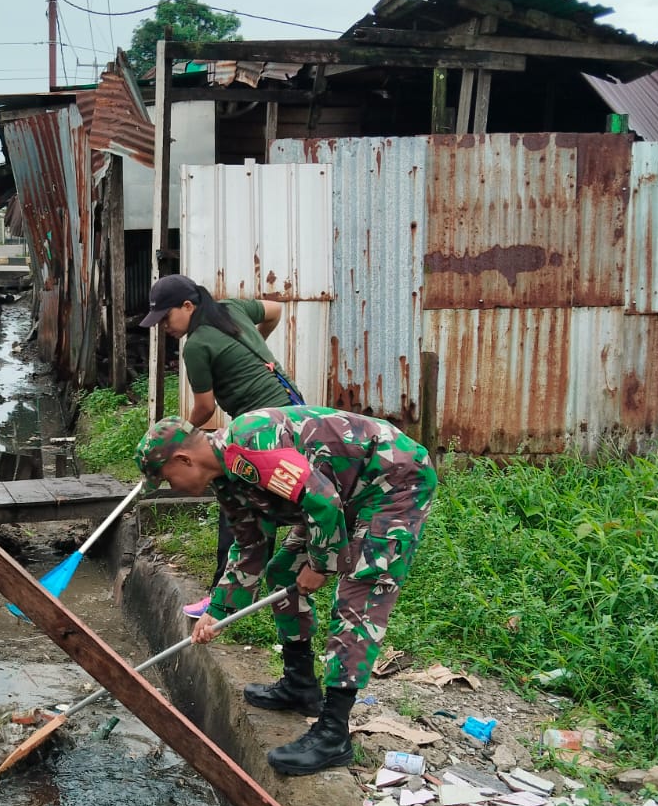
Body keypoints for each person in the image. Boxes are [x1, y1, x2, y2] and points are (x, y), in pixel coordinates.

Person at [134, 407, 437, 777]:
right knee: (282, 574)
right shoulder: (227, 479)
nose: (173, 487)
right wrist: (219, 610)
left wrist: (321, 563)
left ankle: (333, 734)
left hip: (392, 482)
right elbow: (249, 546)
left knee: (358, 594)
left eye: (167, 478)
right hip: (341, 495)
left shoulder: (250, 448)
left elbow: (323, 502)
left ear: (183, 459)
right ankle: (300, 685)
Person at [139, 274, 296, 618]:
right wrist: (259, 348)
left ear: (188, 306)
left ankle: (221, 598)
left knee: (237, 505)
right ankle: (250, 589)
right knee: (265, 501)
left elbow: (205, 408)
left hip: (260, 430)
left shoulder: (195, 346)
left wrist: (172, 442)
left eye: (166, 317)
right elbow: (274, 311)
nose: (164, 326)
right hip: (291, 414)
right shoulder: (232, 309)